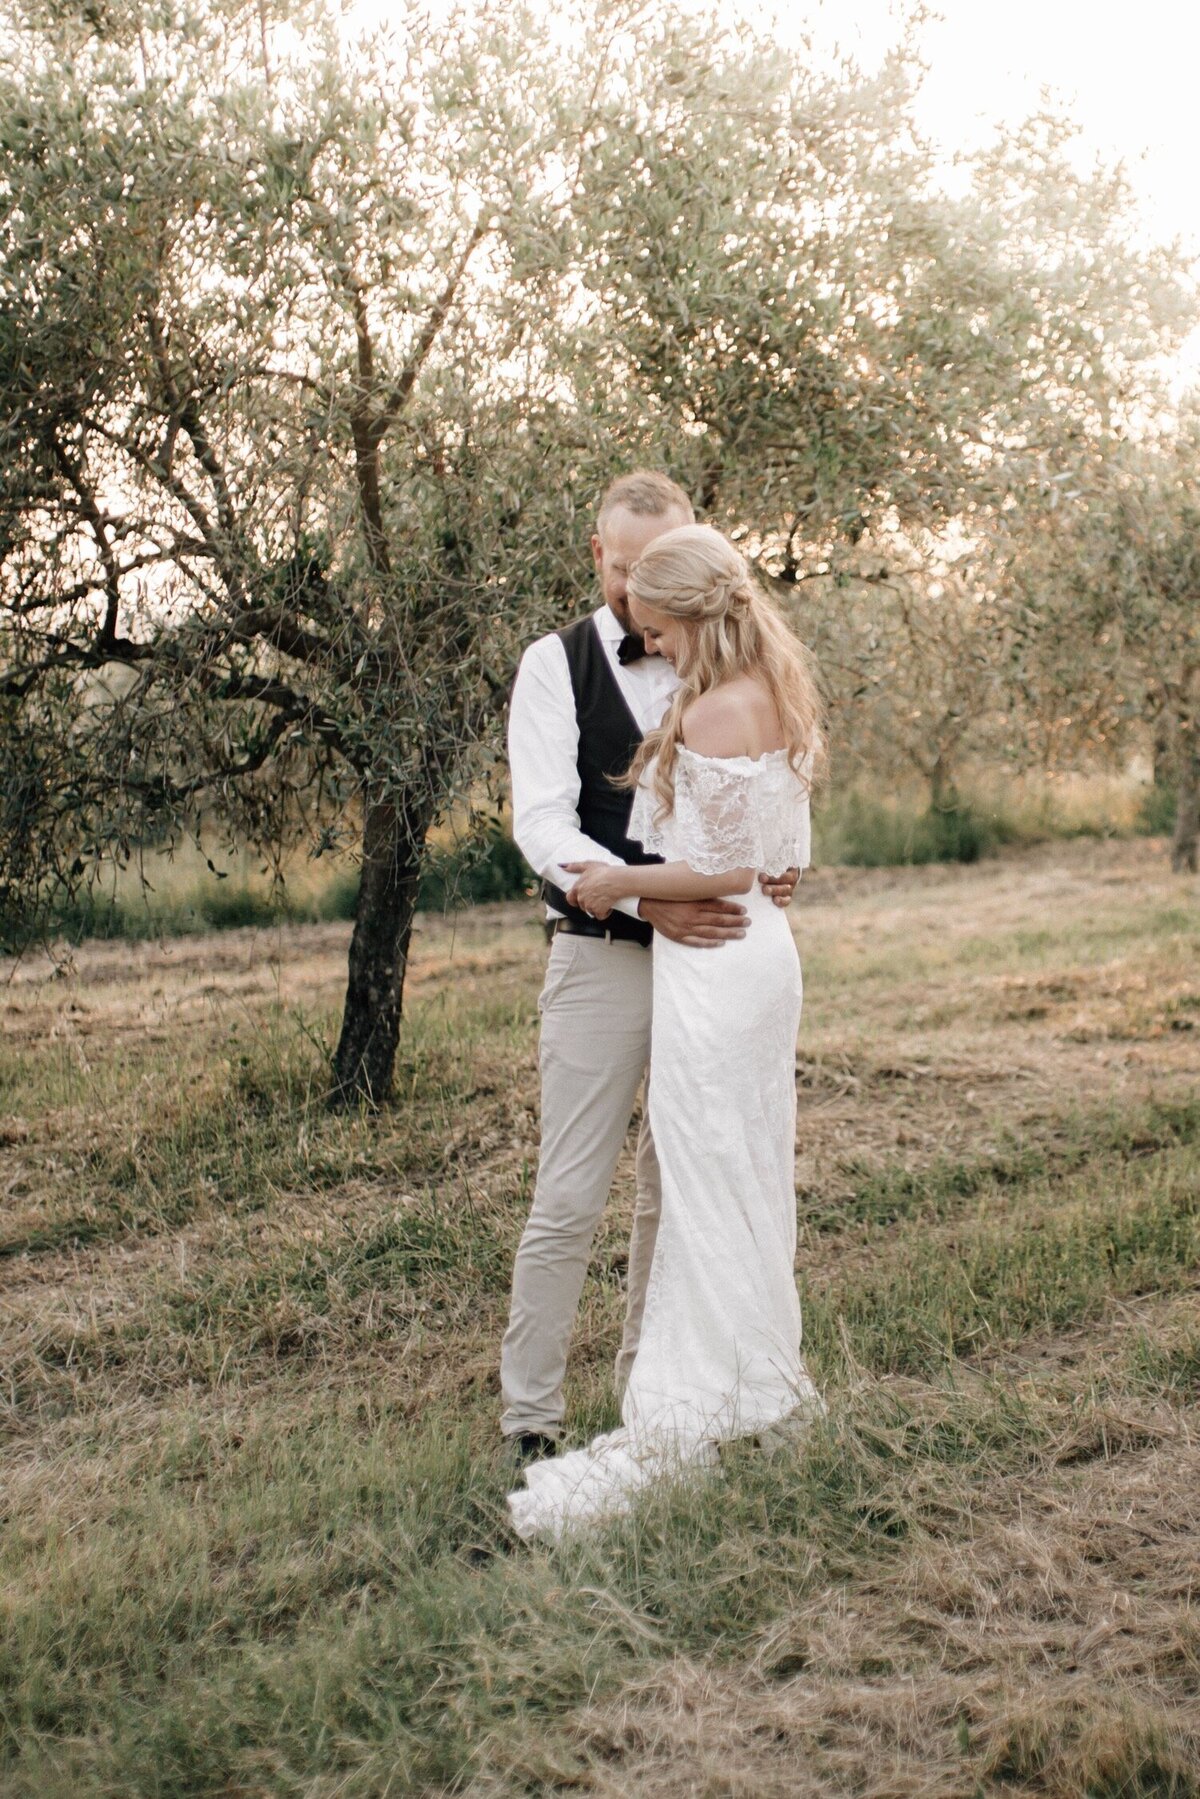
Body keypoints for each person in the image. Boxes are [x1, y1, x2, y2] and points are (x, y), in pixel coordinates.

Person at [507, 522, 824, 1542]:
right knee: (725, 1172)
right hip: (728, 957)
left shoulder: (718, 704)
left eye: (660, 625)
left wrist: (618, 882)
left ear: (687, 610)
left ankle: (703, 1391)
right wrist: (647, 895)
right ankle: (593, 1404)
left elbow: (734, 865)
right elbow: (769, 845)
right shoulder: (765, 687)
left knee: (698, 1179)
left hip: (719, 963)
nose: (651, 642)